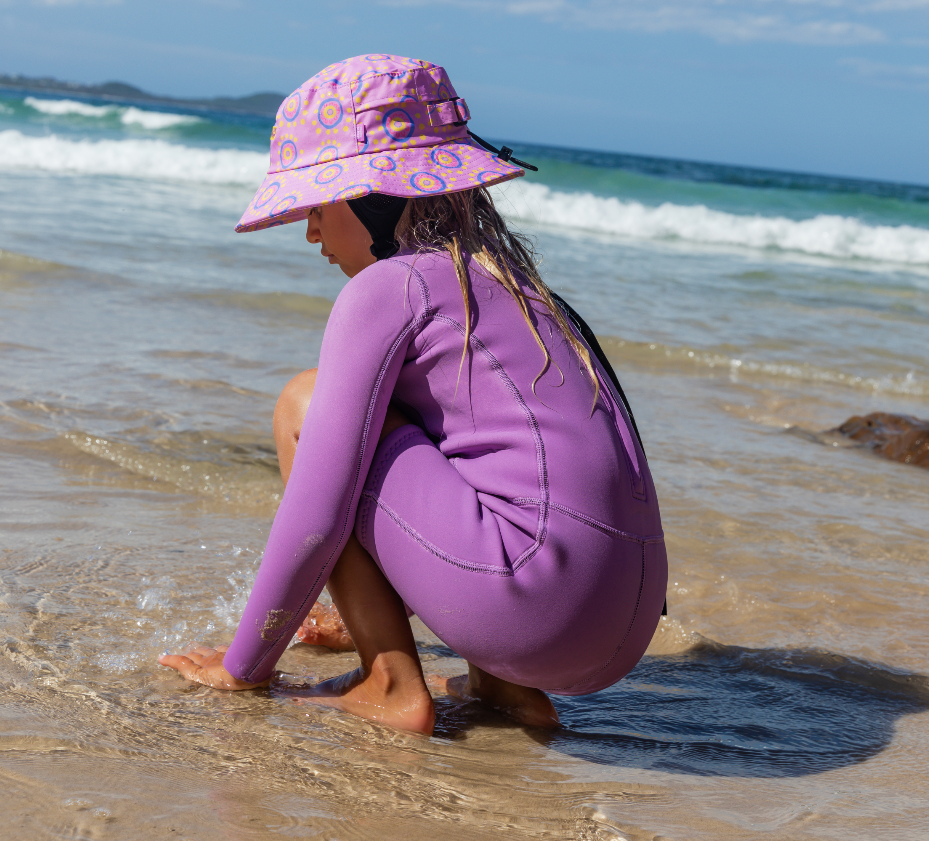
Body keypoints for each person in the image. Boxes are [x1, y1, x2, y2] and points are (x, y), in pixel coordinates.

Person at [159, 54, 667, 734]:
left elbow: (319, 509)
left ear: (374, 195)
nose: (309, 230)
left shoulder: (386, 287)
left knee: (304, 407)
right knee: (473, 453)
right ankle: (504, 688)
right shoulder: (529, 293)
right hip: (619, 629)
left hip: (528, 609)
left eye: (316, 204)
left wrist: (245, 664)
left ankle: (390, 683)